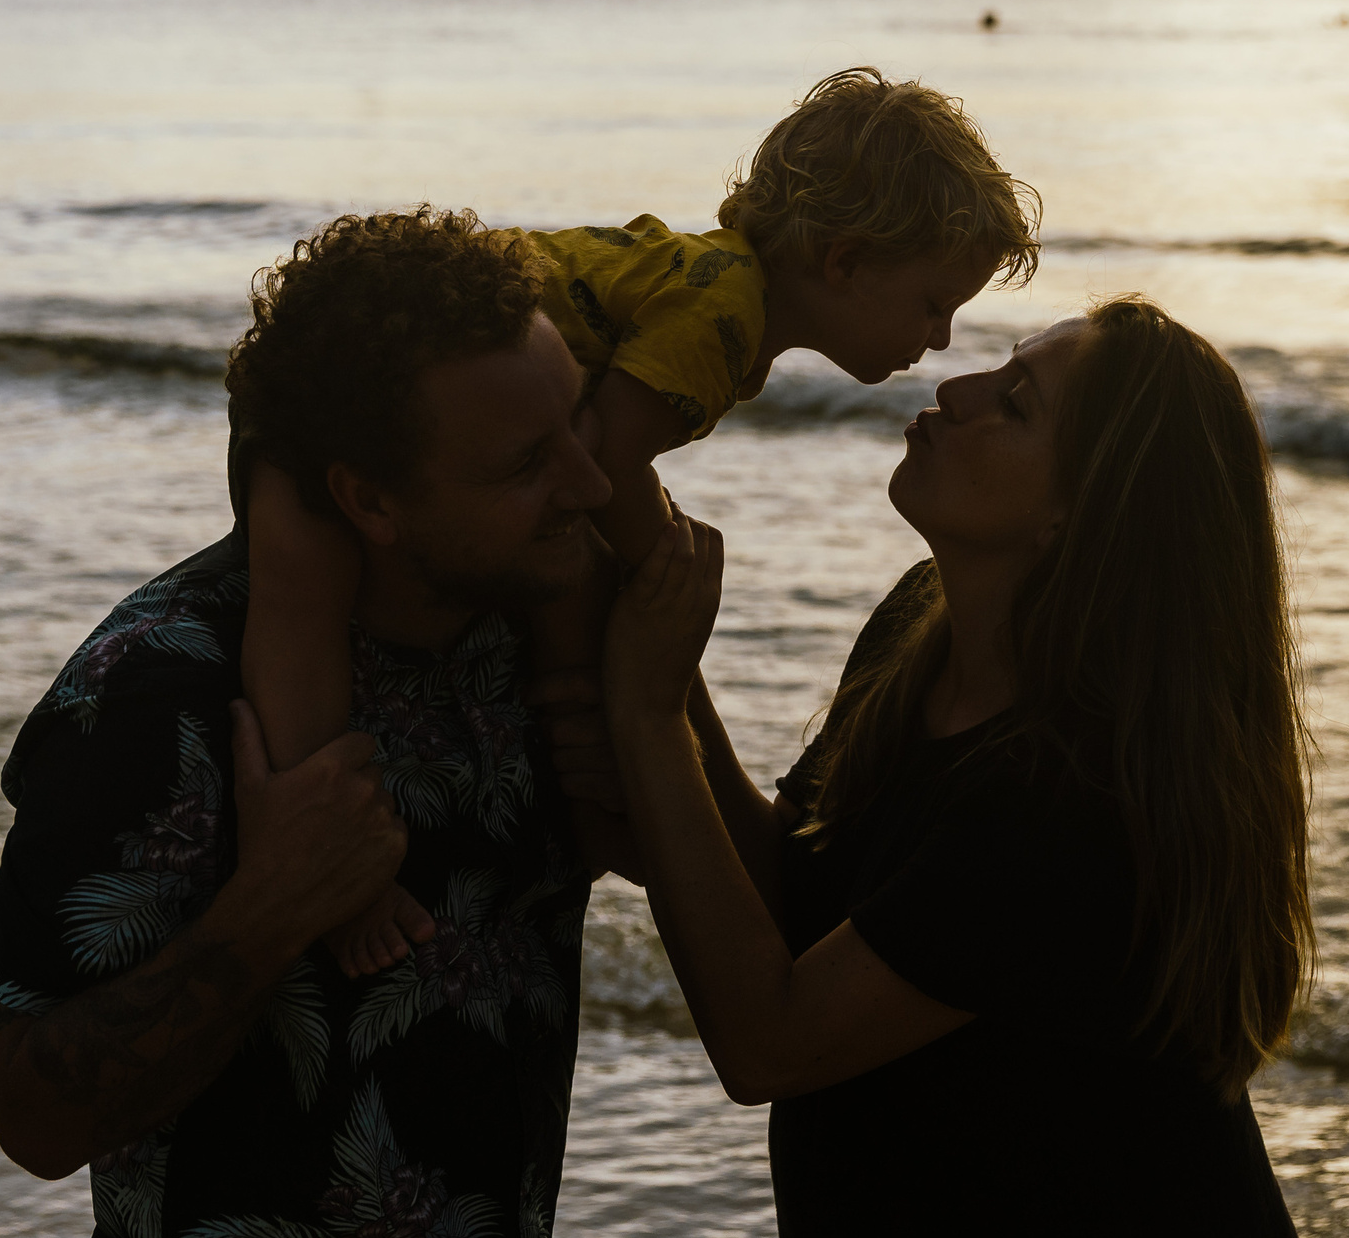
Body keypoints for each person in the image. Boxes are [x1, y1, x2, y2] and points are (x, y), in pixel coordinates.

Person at [235, 67, 1043, 976]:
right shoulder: (725, 316)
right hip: (352, 382)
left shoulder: (722, 286)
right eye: (934, 303)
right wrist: (665, 558)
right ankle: (361, 855)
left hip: (360, 369)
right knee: (303, 615)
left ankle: (595, 801)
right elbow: (598, 463)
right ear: (845, 262)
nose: (938, 338)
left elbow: (583, 462)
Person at [601, 294, 1319, 1238]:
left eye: (1014, 403)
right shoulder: (917, 636)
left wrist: (646, 720)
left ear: (1080, 511)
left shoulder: (1071, 797)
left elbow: (769, 1040)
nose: (955, 386)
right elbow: (794, 898)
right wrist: (628, 519)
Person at [0, 209, 622, 1238]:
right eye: (525, 462)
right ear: (367, 498)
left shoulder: (540, 635)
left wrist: (656, 698)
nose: (589, 484)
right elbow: (34, 1115)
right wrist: (271, 908)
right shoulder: (157, 692)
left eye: (578, 424)